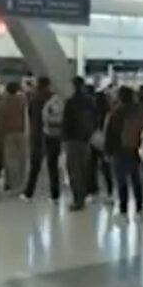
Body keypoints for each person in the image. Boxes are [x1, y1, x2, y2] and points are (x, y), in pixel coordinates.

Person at [103, 87, 143, 221]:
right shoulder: (138, 112)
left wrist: (107, 151)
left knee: (122, 181)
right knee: (136, 179)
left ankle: (123, 210)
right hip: (134, 150)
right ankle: (139, 208)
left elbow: (108, 134)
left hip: (118, 151)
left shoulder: (115, 113)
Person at [62, 77, 96, 211]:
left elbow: (66, 123)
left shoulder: (70, 102)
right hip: (85, 140)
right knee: (84, 169)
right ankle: (84, 195)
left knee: (74, 170)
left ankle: (78, 199)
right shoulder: (89, 101)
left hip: (72, 140)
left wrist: (63, 138)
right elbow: (95, 119)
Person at [21, 77, 53, 200]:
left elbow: (30, 115)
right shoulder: (51, 98)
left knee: (35, 165)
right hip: (51, 133)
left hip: (37, 133)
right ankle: (54, 193)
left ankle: (29, 191)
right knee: (52, 164)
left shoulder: (33, 98)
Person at [87, 87, 114, 201]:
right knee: (106, 168)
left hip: (93, 141)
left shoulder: (92, 112)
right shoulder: (109, 112)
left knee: (91, 167)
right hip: (106, 142)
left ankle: (93, 191)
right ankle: (109, 192)